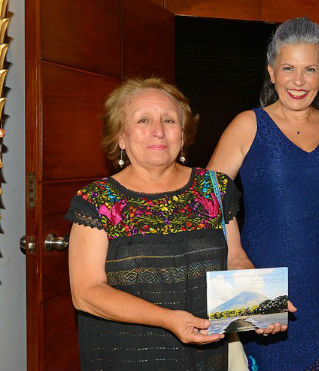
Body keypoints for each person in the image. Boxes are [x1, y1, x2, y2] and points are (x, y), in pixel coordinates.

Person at [66, 78, 288, 371]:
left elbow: (234, 258)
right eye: (143, 120)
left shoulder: (214, 189)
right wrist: (168, 319)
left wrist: (262, 306)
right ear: (121, 136)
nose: (158, 131)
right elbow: (87, 293)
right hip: (125, 356)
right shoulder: (97, 200)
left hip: (207, 355)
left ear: (182, 135)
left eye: (169, 120)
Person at [207, 17, 319, 371]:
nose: (298, 81)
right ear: (271, 72)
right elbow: (208, 197)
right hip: (265, 279)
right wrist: (235, 254)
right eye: (288, 68)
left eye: (309, 69)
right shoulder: (248, 124)